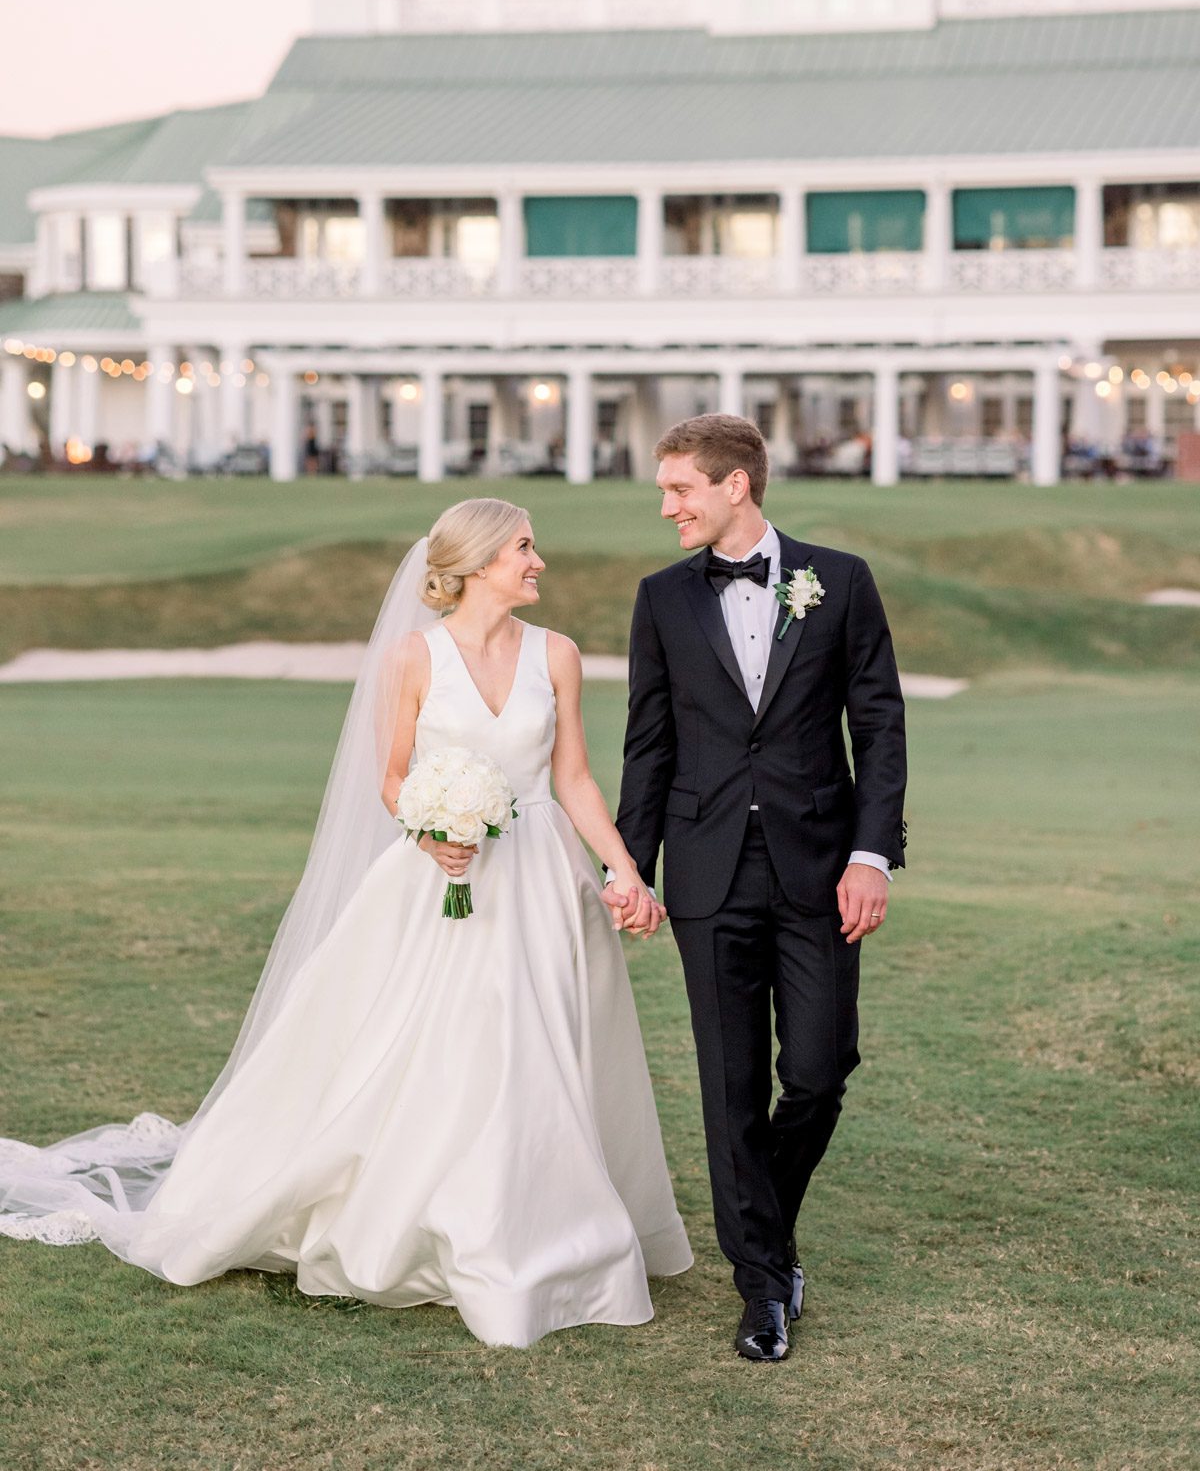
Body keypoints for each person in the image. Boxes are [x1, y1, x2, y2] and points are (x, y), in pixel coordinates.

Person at [0, 498, 691, 1348]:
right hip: (439, 882)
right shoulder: (413, 658)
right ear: (476, 563)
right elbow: (394, 776)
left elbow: (576, 777)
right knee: (437, 1045)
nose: (539, 561)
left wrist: (620, 868)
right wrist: (433, 829)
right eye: (523, 547)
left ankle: (529, 1221)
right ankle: (433, 1220)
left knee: (533, 1044)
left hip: (542, 878)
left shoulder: (559, 655)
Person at [613, 414, 906, 1362]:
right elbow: (648, 745)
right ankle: (762, 1286)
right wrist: (631, 867)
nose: (668, 508)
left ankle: (762, 1229)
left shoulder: (843, 581)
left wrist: (871, 856)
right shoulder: (660, 599)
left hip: (821, 869)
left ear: (735, 484)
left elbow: (881, 728)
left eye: (680, 490)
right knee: (730, 1083)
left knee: (820, 1070)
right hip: (705, 873)